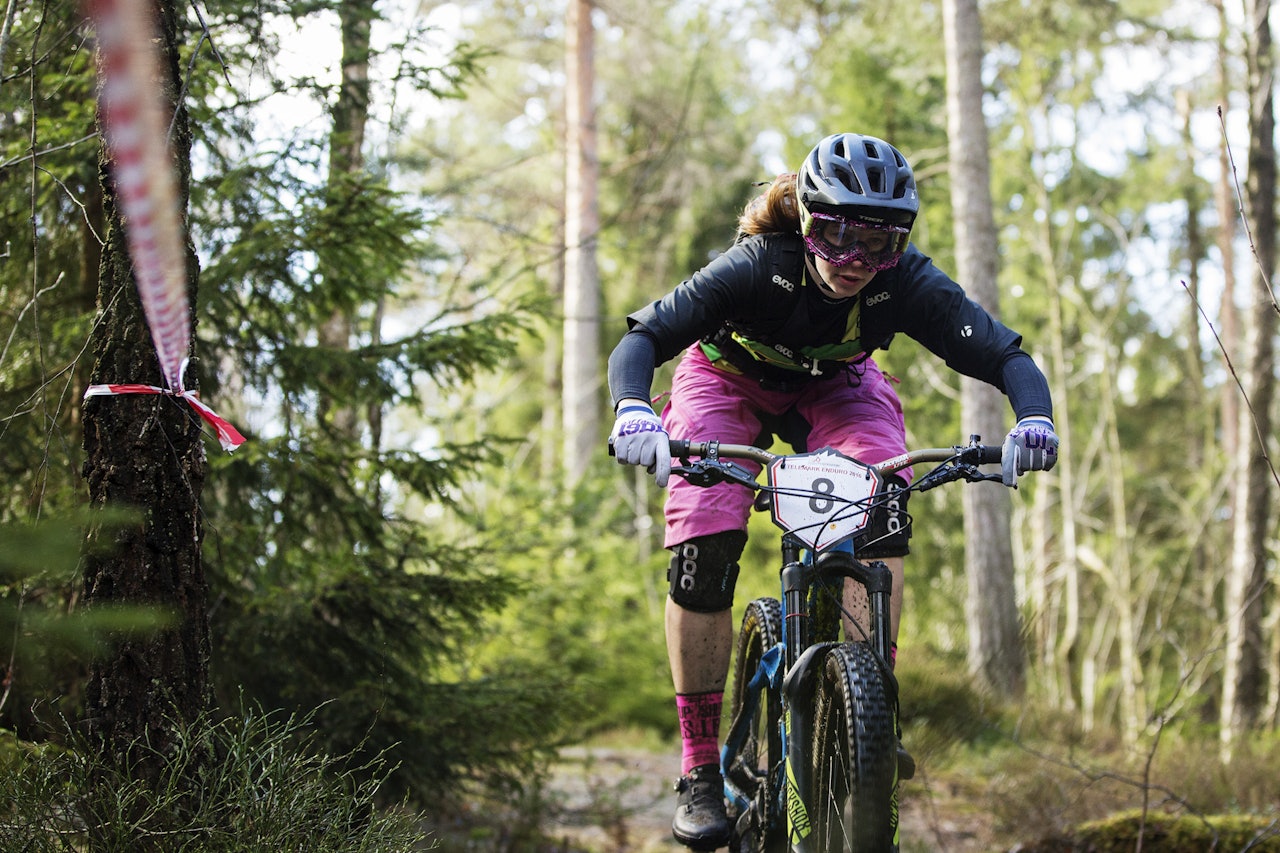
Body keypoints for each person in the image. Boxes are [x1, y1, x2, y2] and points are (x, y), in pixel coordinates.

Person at [607, 132, 1058, 850]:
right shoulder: (757, 266)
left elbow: (1003, 352)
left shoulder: (905, 282)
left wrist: (1034, 418)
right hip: (723, 381)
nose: (854, 261)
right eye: (836, 234)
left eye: (879, 244)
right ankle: (698, 766)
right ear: (805, 221)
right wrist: (633, 407)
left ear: (900, 243)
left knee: (884, 500)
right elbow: (643, 339)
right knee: (705, 541)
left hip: (840, 388)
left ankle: (863, 706)